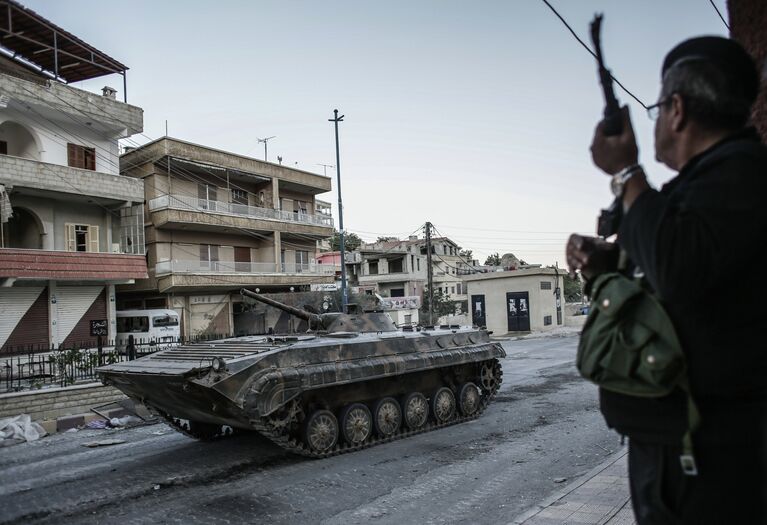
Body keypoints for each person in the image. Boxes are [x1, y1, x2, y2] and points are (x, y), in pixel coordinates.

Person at [566, 36, 767, 524]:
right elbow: (678, 272)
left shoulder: (741, 175)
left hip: (710, 457)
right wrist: (610, 263)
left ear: (676, 109)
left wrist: (628, 173)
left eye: (657, 108)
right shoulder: (702, 185)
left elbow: (678, 267)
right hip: (682, 447)